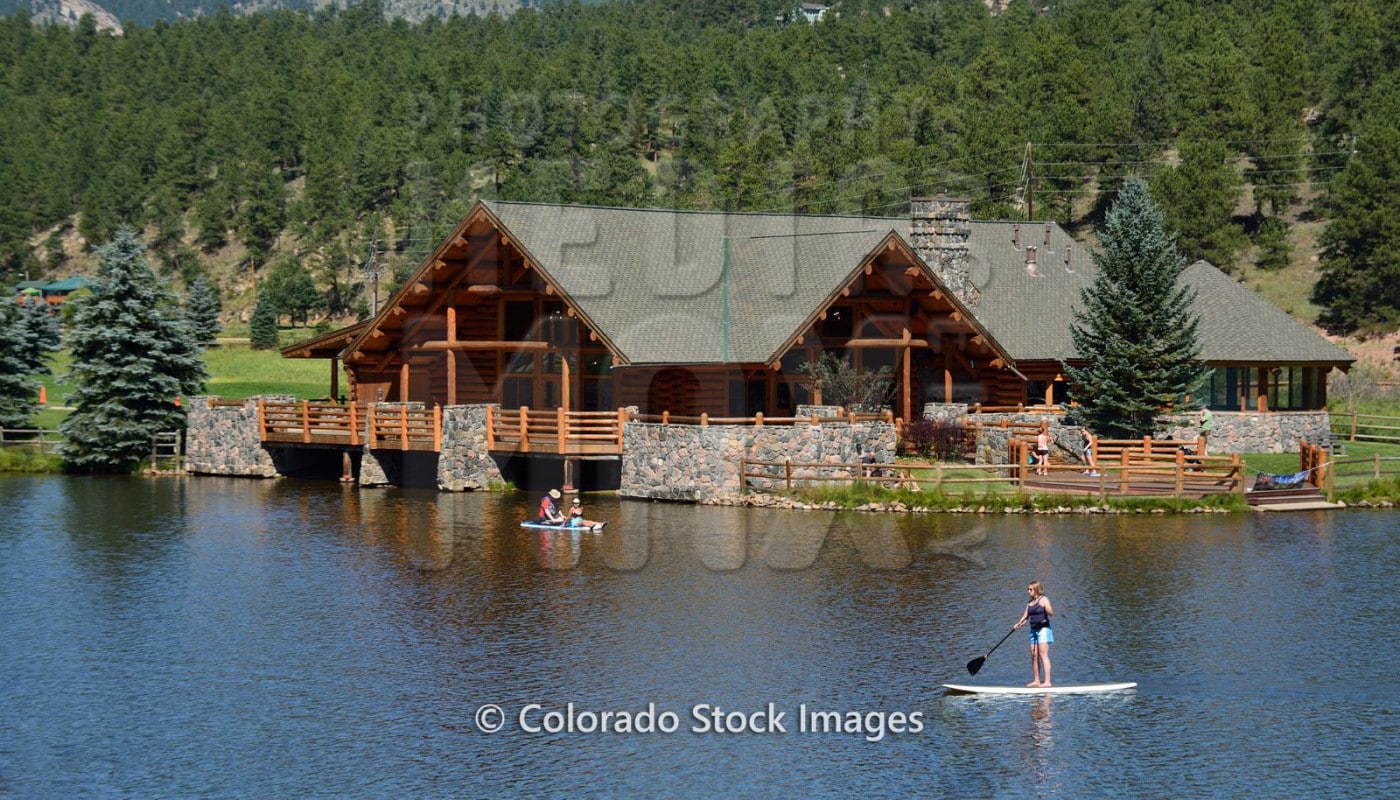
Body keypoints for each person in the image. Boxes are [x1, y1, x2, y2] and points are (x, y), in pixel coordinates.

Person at [1014, 580, 1054, 687]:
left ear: (1036, 589)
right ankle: (1036, 680)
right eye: (1028, 589)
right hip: (1033, 631)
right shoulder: (1030, 603)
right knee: (1034, 655)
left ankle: (1047, 682)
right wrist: (1018, 623)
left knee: (1043, 654)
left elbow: (1051, 613)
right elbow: (1025, 616)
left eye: (1030, 589)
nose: (1028, 591)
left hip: (1043, 630)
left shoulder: (1044, 599)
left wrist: (1045, 607)